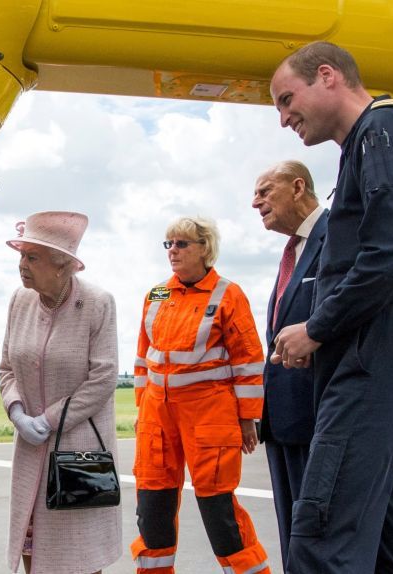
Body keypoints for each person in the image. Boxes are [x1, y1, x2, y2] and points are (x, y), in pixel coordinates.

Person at [269, 42, 393, 573]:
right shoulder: (374, 143)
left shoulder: (384, 133)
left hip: (371, 362)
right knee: (384, 547)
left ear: (327, 76)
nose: (284, 119)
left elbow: (392, 253)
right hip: (381, 356)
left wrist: (316, 328)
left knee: (322, 542)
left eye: (287, 99)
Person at [131, 216, 269, 574]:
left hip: (210, 416)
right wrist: (142, 408)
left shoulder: (228, 293)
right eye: (168, 244)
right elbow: (144, 356)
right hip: (156, 420)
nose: (172, 251)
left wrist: (248, 417)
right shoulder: (157, 293)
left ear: (204, 248)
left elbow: (248, 360)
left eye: (181, 244)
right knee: (152, 510)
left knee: (219, 513)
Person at [0, 211, 122, 574]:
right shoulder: (19, 301)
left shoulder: (98, 303)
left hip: (79, 450)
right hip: (30, 447)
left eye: (32, 257)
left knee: (80, 554)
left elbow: (103, 377)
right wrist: (17, 412)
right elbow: (6, 367)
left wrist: (50, 419)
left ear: (62, 265)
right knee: (31, 544)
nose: (22, 264)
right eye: (21, 255)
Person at [251, 160, 327, 573]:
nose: (255, 202)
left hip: (318, 416)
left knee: (316, 537)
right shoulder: (293, 250)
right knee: (292, 536)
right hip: (282, 420)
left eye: (265, 191)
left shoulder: (338, 235)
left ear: (298, 187)